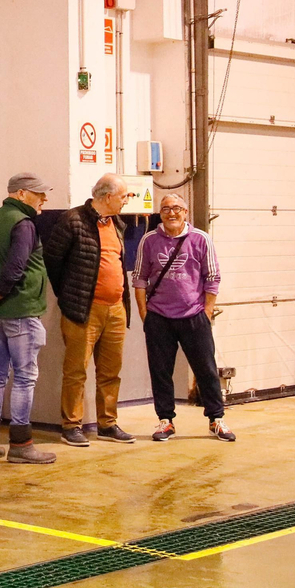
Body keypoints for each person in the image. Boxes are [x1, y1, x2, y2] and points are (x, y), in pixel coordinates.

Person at [0, 173, 56, 464]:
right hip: (22, 312)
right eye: (39, 193)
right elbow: (14, 271)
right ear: (21, 194)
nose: (44, 199)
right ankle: (21, 445)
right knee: (24, 378)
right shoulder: (24, 224)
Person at [43, 173, 135, 446]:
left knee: (110, 372)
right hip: (83, 309)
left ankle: (108, 423)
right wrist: (69, 295)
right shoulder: (73, 220)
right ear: (107, 197)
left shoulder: (116, 223)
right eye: (123, 196)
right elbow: (53, 261)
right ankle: (71, 425)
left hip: (116, 308)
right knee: (76, 371)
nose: (126, 201)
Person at [134, 193, 234, 442]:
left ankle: (216, 419)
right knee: (160, 371)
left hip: (194, 316)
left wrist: (206, 312)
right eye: (166, 209)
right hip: (159, 317)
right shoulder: (149, 240)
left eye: (177, 208)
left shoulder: (201, 239)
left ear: (186, 212)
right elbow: (139, 278)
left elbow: (213, 277)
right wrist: (145, 315)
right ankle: (165, 421)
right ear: (160, 213)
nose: (171, 213)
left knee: (206, 369)